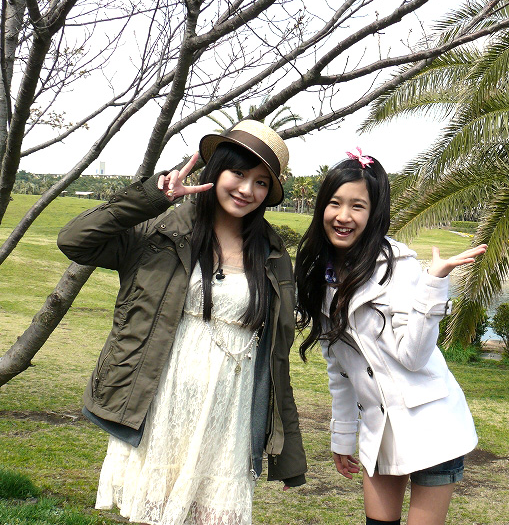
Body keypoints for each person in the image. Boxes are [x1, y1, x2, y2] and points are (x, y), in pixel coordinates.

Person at [58, 120, 307, 525]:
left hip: (229, 409)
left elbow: (277, 359)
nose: (247, 190)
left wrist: (289, 450)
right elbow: (75, 240)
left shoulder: (272, 254)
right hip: (163, 401)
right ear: (216, 171)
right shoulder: (161, 232)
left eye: (261, 182)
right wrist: (151, 199)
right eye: (238, 173)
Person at [294, 149, 486, 525]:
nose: (343, 216)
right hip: (379, 430)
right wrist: (342, 436)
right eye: (335, 203)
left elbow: (414, 357)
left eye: (357, 206)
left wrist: (434, 284)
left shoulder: (396, 266)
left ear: (374, 213)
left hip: (433, 424)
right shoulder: (321, 277)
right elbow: (340, 370)